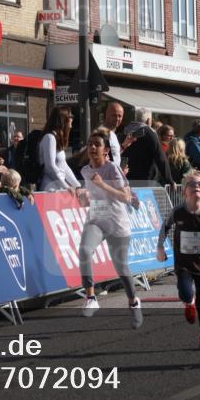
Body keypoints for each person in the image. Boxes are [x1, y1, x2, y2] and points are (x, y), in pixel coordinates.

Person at [78, 130, 143, 329]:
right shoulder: (85, 171)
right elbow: (88, 199)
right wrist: (83, 198)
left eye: (97, 144)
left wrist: (102, 184)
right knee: (84, 250)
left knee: (122, 268)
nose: (92, 147)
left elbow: (125, 197)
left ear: (106, 150)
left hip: (116, 222)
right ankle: (91, 297)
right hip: (97, 219)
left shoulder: (113, 169)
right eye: (90, 144)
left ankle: (133, 302)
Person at [157, 173, 200, 350]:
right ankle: (188, 302)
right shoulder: (178, 211)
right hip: (184, 262)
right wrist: (160, 247)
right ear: (185, 191)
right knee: (185, 292)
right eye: (192, 184)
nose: (197, 187)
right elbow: (165, 227)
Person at [121, 108, 173, 185]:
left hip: (127, 179)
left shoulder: (125, 131)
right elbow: (160, 158)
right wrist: (169, 180)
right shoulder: (150, 133)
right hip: (146, 181)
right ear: (149, 120)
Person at [38, 106, 81, 194]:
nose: (72, 119)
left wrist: (77, 185)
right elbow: (49, 167)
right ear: (63, 119)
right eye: (70, 116)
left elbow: (64, 166)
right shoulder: (49, 138)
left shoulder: (56, 138)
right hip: (50, 189)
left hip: (59, 188)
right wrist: (66, 186)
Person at [99, 102, 125, 168]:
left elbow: (113, 153)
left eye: (120, 116)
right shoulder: (101, 133)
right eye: (114, 115)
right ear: (107, 114)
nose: (117, 119)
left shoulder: (112, 134)